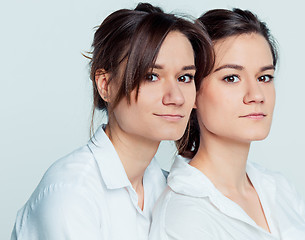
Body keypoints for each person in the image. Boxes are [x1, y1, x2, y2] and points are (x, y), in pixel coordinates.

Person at [11, 3, 213, 240]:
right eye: (152, 76)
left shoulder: (170, 187)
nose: (177, 97)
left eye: (185, 77)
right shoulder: (72, 194)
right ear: (105, 85)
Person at [149, 8, 305, 240]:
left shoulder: (279, 188)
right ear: (192, 90)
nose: (256, 95)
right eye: (231, 78)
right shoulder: (183, 217)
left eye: (264, 77)